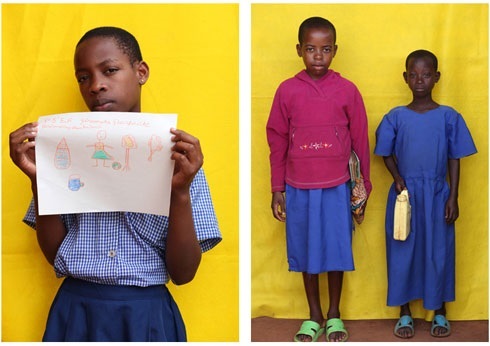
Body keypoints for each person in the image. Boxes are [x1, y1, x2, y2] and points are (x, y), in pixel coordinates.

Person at [9, 26, 222, 342]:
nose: (95, 85)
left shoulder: (181, 159)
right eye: (83, 78)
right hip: (76, 309)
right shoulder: (62, 153)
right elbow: (55, 255)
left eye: (109, 70)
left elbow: (184, 273)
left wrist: (179, 193)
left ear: (141, 72)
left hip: (146, 314)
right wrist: (41, 182)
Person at [266, 17, 371, 342]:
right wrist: (277, 188)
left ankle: (335, 314)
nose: (318, 56)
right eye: (311, 49)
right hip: (299, 187)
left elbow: (361, 139)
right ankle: (314, 315)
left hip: (337, 186)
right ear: (299, 50)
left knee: (337, 250)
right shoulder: (287, 90)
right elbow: (277, 140)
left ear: (335, 50)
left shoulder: (347, 90)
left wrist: (362, 186)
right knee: (307, 251)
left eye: (325, 50)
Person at [374, 49, 477, 339]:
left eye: (427, 74)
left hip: (437, 195)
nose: (420, 79)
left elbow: (455, 157)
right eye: (414, 74)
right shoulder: (395, 116)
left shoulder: (449, 117)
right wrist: (397, 178)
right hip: (404, 196)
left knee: (438, 252)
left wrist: (453, 196)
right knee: (402, 251)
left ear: (437, 78)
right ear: (405, 78)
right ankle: (404, 312)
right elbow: (385, 152)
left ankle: (439, 311)